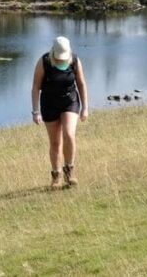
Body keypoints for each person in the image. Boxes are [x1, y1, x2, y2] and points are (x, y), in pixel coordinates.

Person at [31, 36, 89, 189]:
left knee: (69, 134)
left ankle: (69, 172)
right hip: (49, 103)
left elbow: (81, 84)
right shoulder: (44, 61)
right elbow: (36, 87)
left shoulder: (75, 61)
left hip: (70, 101)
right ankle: (56, 176)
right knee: (55, 143)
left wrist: (85, 108)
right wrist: (35, 111)